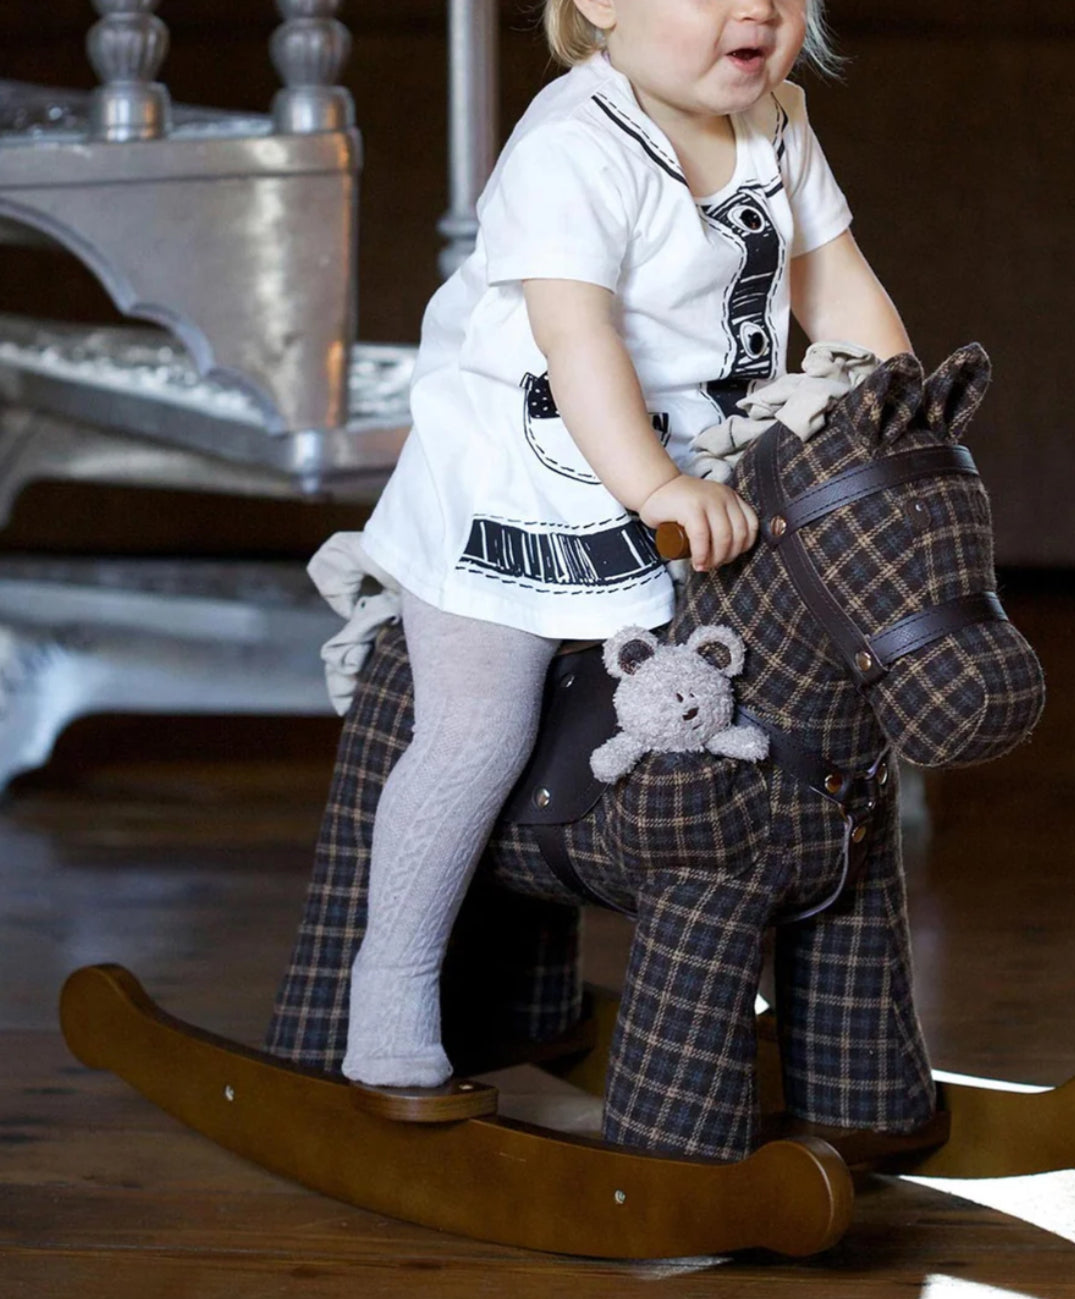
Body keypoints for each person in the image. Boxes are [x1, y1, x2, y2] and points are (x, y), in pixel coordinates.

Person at [340, 0, 912, 1089]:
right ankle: (393, 984)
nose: (759, 10)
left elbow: (835, 282)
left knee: (754, 709)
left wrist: (898, 414)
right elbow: (579, 341)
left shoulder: (778, 120)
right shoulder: (571, 144)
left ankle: (734, 973)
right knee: (478, 731)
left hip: (692, 480)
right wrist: (655, 484)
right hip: (519, 492)